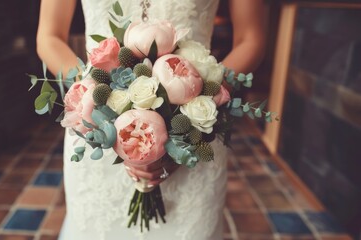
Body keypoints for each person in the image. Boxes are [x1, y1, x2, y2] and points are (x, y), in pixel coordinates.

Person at [37, 0, 268, 239]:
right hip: (97, 132)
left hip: (195, 137)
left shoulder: (193, 124)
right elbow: (49, 36)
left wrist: (196, 107)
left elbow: (251, 39)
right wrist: (93, 94)